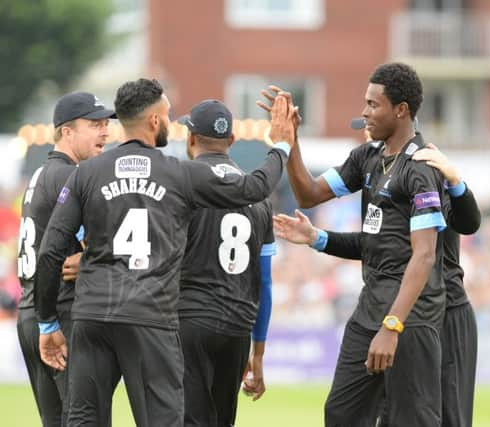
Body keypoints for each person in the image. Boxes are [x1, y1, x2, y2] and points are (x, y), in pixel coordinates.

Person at [33, 78, 295, 427]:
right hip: (149, 316)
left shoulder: (85, 175)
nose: (171, 124)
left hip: (93, 315)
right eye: (168, 115)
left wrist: (48, 320)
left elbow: (50, 251)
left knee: (84, 420)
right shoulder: (179, 174)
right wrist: (281, 145)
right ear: (154, 121)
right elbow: (255, 187)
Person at [261, 63, 448, 426]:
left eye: (373, 104)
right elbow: (309, 193)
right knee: (342, 414)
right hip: (369, 311)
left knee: (410, 420)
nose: (364, 112)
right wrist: (290, 140)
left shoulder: (421, 169)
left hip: (409, 318)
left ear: (401, 110)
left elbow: (424, 255)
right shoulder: (369, 158)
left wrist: (392, 326)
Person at [275, 144, 481, 427]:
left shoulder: (425, 167)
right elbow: (376, 245)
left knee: (448, 418)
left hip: (445, 312)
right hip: (399, 309)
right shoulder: (376, 164)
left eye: (375, 108)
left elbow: (468, 223)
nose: (368, 126)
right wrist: (318, 237)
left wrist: (456, 182)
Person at [16, 91, 115, 426]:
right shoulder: (71, 177)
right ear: (67, 131)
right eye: (95, 124)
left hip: (33, 312)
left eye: (106, 124)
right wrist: (93, 261)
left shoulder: (42, 174)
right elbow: (110, 242)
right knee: (87, 419)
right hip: (61, 315)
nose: (105, 131)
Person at [177, 100, 275, 426]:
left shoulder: (182, 180)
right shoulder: (259, 197)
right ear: (232, 141)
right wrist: (258, 354)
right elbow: (265, 283)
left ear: (191, 138)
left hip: (190, 320)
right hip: (238, 328)